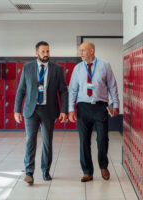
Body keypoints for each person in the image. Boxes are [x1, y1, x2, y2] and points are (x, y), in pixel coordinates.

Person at [14, 41, 68, 185]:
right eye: (43, 51)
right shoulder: (27, 68)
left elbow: (63, 91)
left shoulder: (57, 69)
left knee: (47, 142)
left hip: (48, 110)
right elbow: (21, 90)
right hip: (31, 110)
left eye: (48, 51)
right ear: (36, 52)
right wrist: (16, 110)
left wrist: (64, 110)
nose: (46, 54)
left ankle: (45, 170)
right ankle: (29, 172)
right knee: (30, 140)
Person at [68, 41, 119, 182]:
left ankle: (103, 166)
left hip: (99, 107)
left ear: (92, 51)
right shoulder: (77, 68)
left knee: (102, 138)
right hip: (83, 108)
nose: (81, 53)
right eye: (80, 50)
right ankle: (87, 171)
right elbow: (72, 90)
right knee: (84, 141)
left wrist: (116, 105)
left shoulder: (104, 65)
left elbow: (112, 86)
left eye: (83, 50)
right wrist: (71, 109)